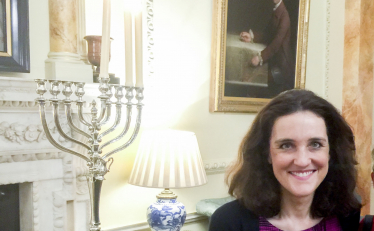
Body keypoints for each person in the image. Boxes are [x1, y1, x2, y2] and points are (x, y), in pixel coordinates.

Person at [209, 89, 361, 231]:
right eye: (286, 145)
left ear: (331, 152)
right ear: (266, 153)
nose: (302, 161)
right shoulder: (228, 221)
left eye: (315, 144)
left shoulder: (347, 214)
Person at [240, 0, 295, 92]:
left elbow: (276, 43)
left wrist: (260, 57)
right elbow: (268, 34)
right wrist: (252, 37)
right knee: (249, 79)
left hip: (282, 67)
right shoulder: (277, 11)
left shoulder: (285, 17)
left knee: (253, 81)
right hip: (273, 60)